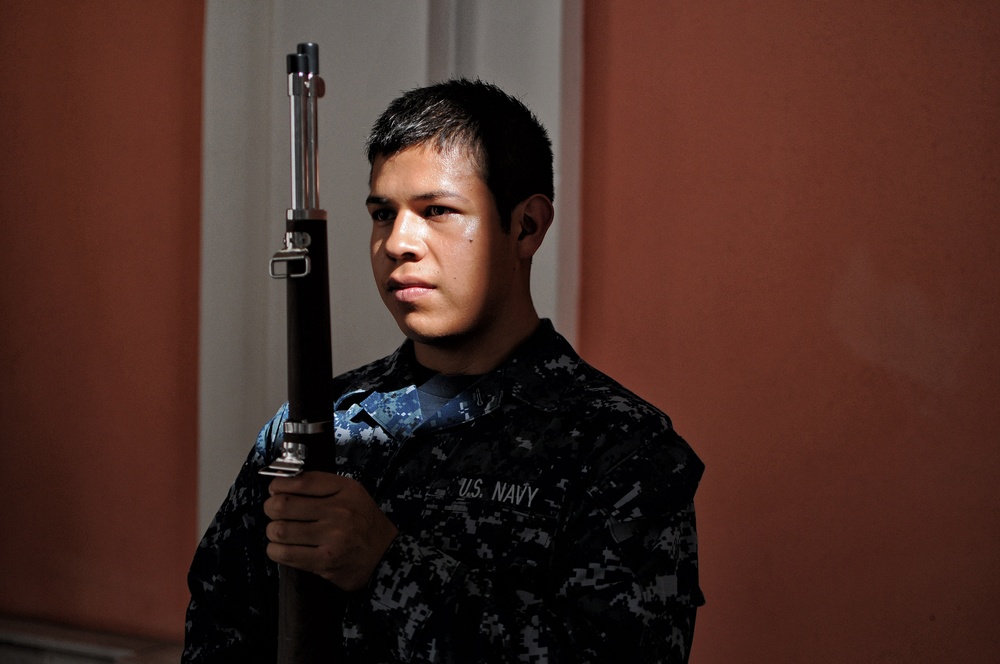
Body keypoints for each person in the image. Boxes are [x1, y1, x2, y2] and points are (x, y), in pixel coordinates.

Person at [184, 79, 704, 663]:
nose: (397, 242)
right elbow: (219, 621)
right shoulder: (317, 424)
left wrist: (385, 567)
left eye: (437, 211)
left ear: (526, 227)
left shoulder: (623, 450)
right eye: (383, 214)